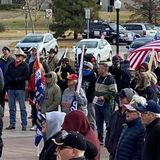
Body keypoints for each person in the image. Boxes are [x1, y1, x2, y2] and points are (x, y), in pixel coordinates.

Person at [105, 88, 137, 160]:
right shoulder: (115, 114)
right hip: (112, 153)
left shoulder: (132, 116)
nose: (120, 99)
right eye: (119, 97)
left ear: (129, 99)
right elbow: (109, 129)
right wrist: (107, 144)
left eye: (123, 98)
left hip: (124, 155)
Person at [5, 49, 29, 130]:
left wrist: (17, 79)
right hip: (11, 88)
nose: (18, 57)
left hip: (20, 88)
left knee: (22, 107)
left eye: (19, 56)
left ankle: (24, 124)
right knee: (11, 107)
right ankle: (12, 124)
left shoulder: (25, 65)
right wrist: (11, 80)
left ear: (23, 57)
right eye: (17, 55)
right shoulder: (11, 65)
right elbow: (7, 74)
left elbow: (26, 75)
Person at [94, 63, 117, 144]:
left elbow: (114, 92)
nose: (98, 70)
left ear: (104, 70)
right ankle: (100, 138)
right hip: (98, 103)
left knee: (108, 122)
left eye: (99, 68)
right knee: (98, 121)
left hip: (106, 104)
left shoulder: (110, 79)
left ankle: (110, 138)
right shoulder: (99, 77)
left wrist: (104, 97)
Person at [26, 47, 45, 131]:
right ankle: (34, 123)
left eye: (36, 68)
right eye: (34, 68)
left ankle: (41, 123)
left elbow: (43, 86)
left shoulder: (43, 77)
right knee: (34, 110)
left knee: (40, 110)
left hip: (40, 95)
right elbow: (29, 87)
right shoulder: (31, 77)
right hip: (33, 94)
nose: (35, 69)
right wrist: (29, 96)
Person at [82, 61, 97, 131]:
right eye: (84, 67)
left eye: (87, 68)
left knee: (91, 117)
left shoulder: (94, 78)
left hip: (90, 100)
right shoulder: (81, 76)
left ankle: (92, 131)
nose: (85, 69)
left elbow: (95, 90)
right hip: (82, 100)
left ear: (91, 69)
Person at [0, 46, 14, 110]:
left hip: (9, 82)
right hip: (2, 82)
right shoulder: (1, 60)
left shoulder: (12, 60)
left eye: (6, 50)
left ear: (9, 51)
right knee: (1, 98)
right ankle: (2, 111)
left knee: (11, 98)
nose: (4, 51)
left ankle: (12, 111)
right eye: (3, 50)